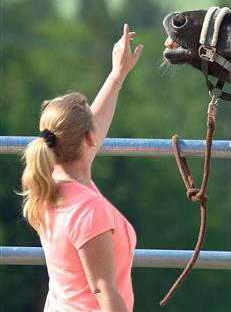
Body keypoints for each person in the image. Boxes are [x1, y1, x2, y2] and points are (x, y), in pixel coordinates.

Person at [20, 24, 143, 312]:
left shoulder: (49, 186)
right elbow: (104, 291)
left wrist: (117, 74)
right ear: (89, 138)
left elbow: (90, 128)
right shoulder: (88, 210)